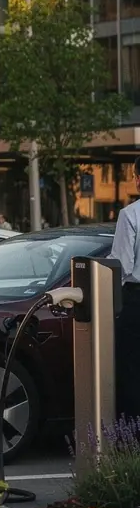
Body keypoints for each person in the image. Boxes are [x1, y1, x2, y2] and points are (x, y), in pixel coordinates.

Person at [110, 158, 140, 416]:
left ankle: (133, 442)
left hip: (136, 302)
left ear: (138, 179)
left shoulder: (131, 215)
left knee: (131, 371)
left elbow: (122, 265)